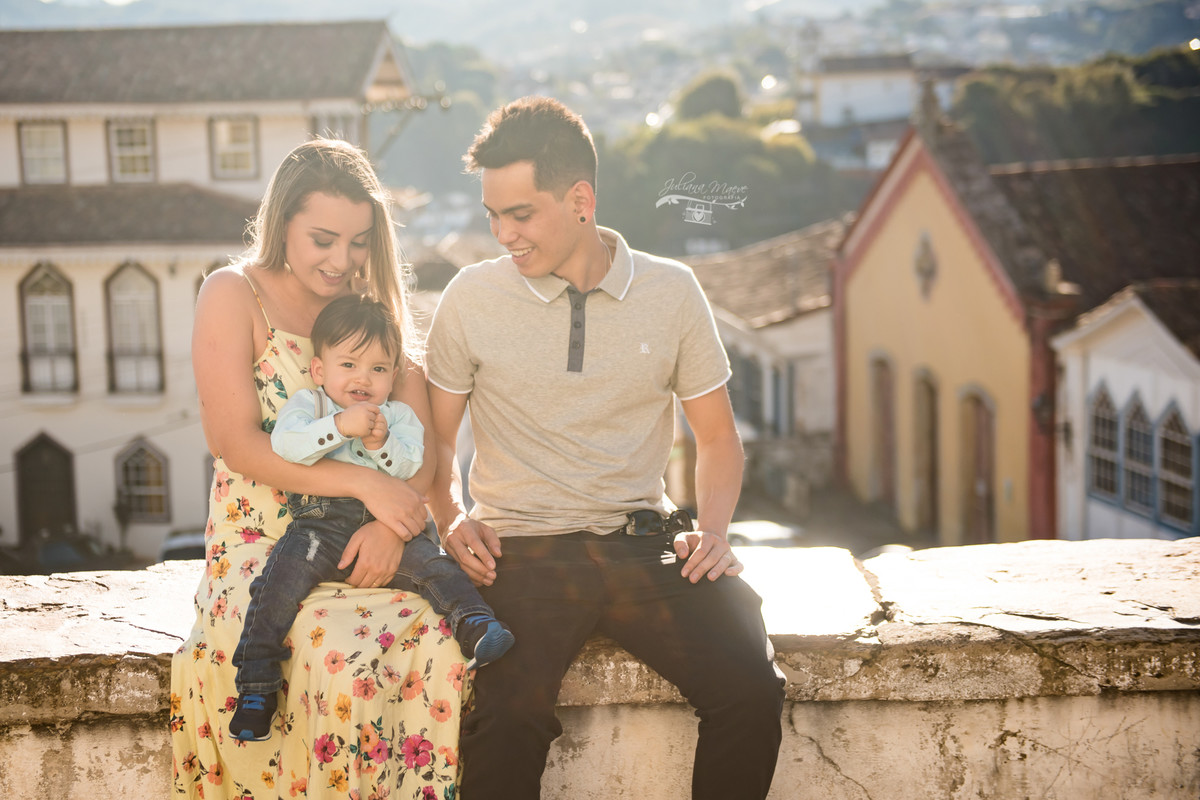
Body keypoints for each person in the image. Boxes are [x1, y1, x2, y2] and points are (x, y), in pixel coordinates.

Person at [425, 97, 786, 800]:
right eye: (492, 215)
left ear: (580, 201)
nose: (502, 234)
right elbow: (435, 438)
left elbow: (717, 437)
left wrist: (713, 532)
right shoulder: (470, 297)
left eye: (520, 214)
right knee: (505, 720)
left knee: (751, 690)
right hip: (518, 550)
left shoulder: (672, 291)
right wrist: (450, 516)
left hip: (644, 543)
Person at [171, 138, 469, 798]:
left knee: (440, 648)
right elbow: (236, 442)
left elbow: (420, 454)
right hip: (261, 547)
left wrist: (390, 528)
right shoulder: (233, 293)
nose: (342, 260)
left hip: (369, 545)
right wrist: (363, 482)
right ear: (282, 224)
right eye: (323, 239)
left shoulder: (373, 312)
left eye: (359, 242)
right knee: (339, 661)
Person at [229, 294, 513, 741]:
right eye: (349, 365)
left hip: (387, 527)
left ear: (393, 376)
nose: (363, 378)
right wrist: (340, 427)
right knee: (275, 586)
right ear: (319, 370)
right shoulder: (309, 406)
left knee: (434, 567)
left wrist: (382, 445)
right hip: (318, 526)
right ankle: (256, 687)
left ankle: (476, 624)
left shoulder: (398, 417)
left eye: (378, 369)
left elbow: (412, 466)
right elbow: (287, 446)